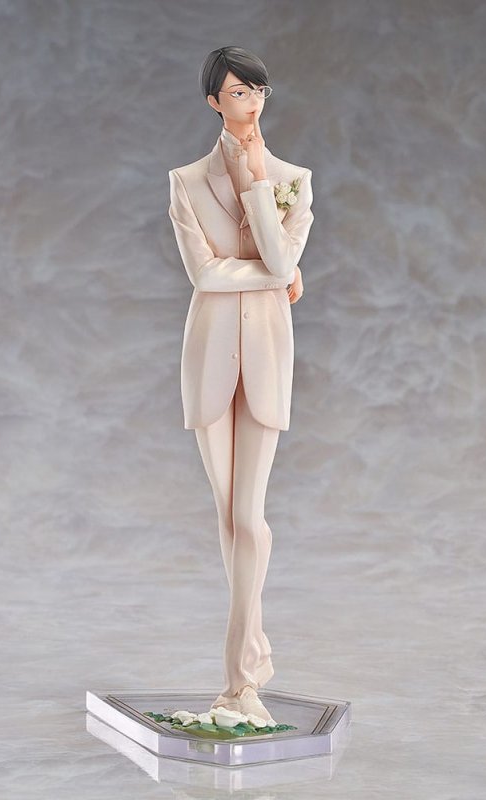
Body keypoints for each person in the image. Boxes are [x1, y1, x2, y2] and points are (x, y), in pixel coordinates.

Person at [167, 45, 314, 726]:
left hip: (266, 355)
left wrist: (257, 187)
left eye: (256, 92)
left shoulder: (292, 180)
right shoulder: (185, 182)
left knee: (249, 515)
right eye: (235, 93)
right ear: (213, 102)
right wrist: (276, 274)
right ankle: (253, 653)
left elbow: (281, 256)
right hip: (208, 355)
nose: (249, 104)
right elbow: (203, 273)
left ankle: (238, 678)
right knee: (227, 514)